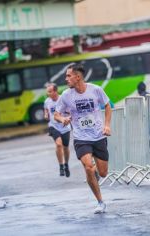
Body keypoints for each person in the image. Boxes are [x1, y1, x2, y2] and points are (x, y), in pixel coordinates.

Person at [54, 64, 112, 214]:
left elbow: (107, 105)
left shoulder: (96, 90)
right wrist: (63, 119)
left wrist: (107, 125)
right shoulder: (66, 95)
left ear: (77, 77)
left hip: (98, 136)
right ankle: (100, 202)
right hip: (81, 137)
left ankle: (96, 174)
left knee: (103, 173)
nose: (66, 79)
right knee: (87, 166)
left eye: (68, 76)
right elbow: (56, 114)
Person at [44, 83, 72, 177]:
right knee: (58, 144)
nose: (48, 93)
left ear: (55, 91)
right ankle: (61, 165)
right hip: (53, 126)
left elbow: (69, 112)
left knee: (65, 147)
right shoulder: (47, 101)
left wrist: (67, 117)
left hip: (64, 126)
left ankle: (66, 164)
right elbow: (46, 110)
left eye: (50, 91)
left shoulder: (63, 100)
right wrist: (46, 115)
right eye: (48, 92)